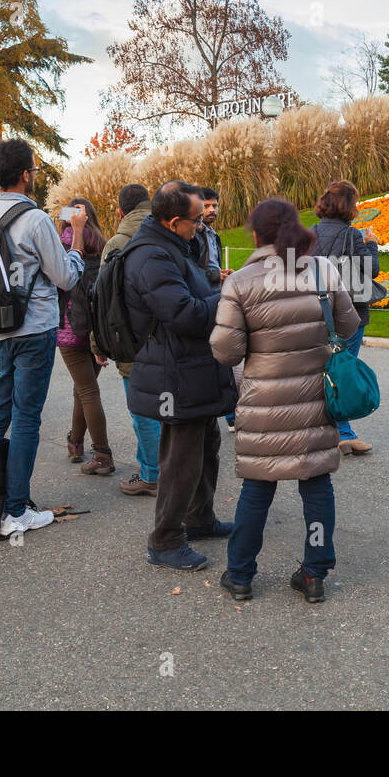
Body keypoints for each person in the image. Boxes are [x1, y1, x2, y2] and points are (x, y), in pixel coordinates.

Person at [211, 199, 360, 603]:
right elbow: (348, 325)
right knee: (315, 484)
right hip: (314, 397)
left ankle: (240, 575)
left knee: (257, 489)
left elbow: (226, 352)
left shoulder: (240, 282)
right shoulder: (322, 271)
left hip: (264, 402)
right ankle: (314, 574)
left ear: (255, 235)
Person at [0, 139, 87, 536]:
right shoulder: (35, 220)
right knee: (26, 416)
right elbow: (65, 276)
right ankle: (15, 510)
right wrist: (77, 237)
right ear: (24, 174)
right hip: (33, 325)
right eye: (33, 169)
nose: (35, 175)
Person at [125, 180, 237, 571]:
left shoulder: (171, 246)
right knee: (181, 457)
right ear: (173, 221)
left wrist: (214, 283)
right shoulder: (151, 256)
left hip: (189, 365)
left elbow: (190, 291)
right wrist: (227, 295)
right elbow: (184, 314)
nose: (200, 227)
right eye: (195, 221)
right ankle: (165, 540)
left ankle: (199, 518)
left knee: (206, 444)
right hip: (173, 370)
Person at [98, 183, 161, 496]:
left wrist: (99, 345)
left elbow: (103, 299)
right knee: (167, 407)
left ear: (121, 211)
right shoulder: (171, 232)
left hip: (132, 342)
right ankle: (159, 467)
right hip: (171, 339)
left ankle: (152, 474)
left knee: (142, 411)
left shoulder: (117, 243)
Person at [311, 180, 379, 456]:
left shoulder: (307, 234)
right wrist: (372, 244)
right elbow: (370, 270)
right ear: (348, 207)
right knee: (342, 370)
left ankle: (328, 432)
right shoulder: (353, 236)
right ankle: (344, 433)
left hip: (315, 313)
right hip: (348, 313)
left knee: (322, 370)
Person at [57, 196, 114, 476]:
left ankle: (102, 453)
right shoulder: (104, 245)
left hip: (69, 327)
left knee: (87, 390)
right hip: (98, 330)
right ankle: (75, 443)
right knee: (84, 388)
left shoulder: (61, 245)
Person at [193, 186, 229, 290]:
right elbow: (191, 269)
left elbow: (211, 266)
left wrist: (221, 273)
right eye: (206, 206)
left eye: (214, 205)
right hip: (201, 292)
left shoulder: (214, 235)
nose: (212, 210)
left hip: (216, 291)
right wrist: (216, 275)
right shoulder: (193, 234)